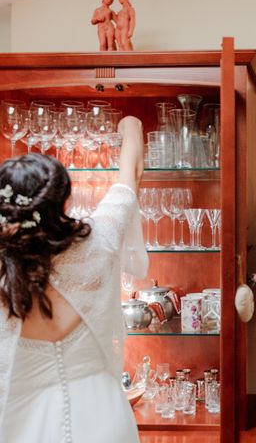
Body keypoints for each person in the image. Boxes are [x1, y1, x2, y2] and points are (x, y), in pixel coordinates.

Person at [0, 116, 147, 442]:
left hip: (24, 427)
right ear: (63, 202)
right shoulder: (101, 241)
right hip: (104, 421)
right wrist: (130, 125)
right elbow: (130, 176)